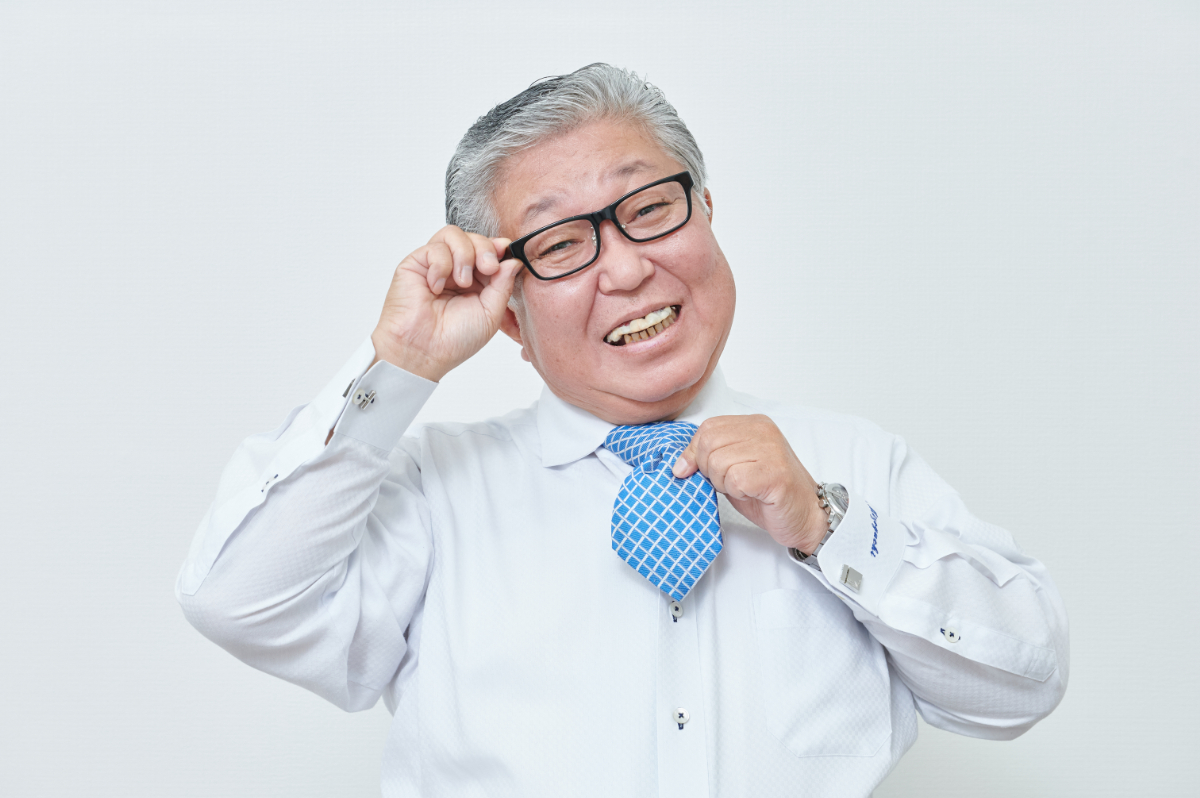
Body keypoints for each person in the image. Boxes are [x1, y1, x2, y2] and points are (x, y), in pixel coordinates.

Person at [177, 63, 1069, 797]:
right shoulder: (431, 495)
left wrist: (825, 526)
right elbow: (235, 599)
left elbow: (1024, 682)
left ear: (706, 213)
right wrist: (400, 362)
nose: (629, 269)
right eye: (562, 245)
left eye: (647, 209)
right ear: (510, 312)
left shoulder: (854, 463)